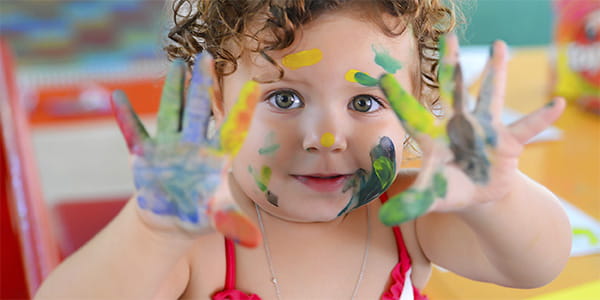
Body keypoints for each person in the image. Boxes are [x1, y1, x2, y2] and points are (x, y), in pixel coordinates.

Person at [35, 0, 572, 299]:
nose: (326, 137)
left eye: (365, 102)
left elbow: (537, 266)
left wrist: (495, 199)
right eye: (285, 96)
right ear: (218, 103)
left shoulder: (410, 218)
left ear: (417, 108)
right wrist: (152, 233)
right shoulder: (197, 241)